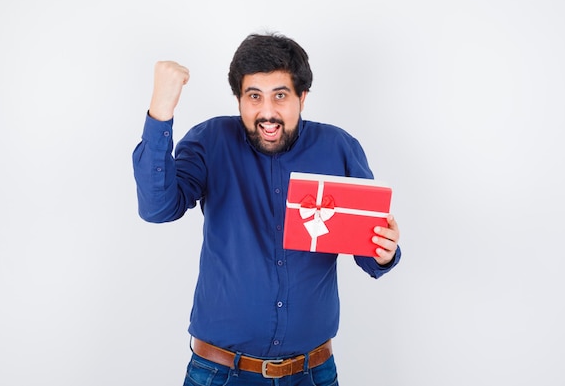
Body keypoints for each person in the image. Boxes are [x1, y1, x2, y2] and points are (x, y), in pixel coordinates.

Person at [132, 32, 401, 386]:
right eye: (254, 97)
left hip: (312, 374)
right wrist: (160, 111)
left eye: (280, 96)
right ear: (240, 99)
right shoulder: (210, 141)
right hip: (219, 373)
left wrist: (384, 252)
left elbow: (369, 252)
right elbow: (158, 208)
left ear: (302, 98)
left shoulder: (339, 148)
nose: (267, 112)